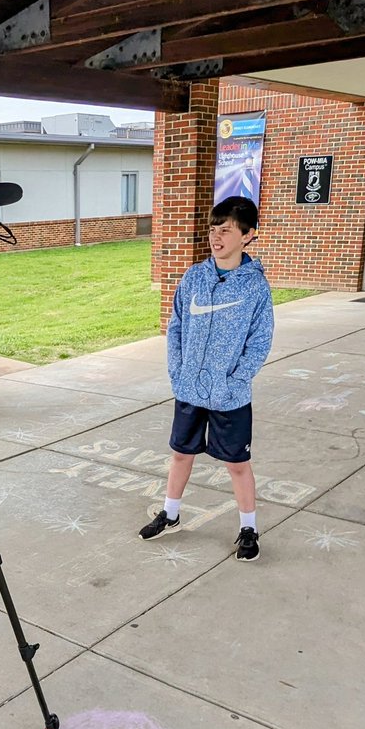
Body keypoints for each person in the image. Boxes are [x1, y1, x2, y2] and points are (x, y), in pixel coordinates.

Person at [139, 196, 274, 561]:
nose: (216, 237)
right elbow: (177, 326)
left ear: (248, 235)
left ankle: (249, 527)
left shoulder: (254, 287)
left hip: (230, 395)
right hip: (190, 388)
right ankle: (170, 512)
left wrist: (236, 379)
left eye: (226, 230)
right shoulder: (194, 276)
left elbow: (260, 342)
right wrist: (178, 372)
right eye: (213, 230)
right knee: (181, 453)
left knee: (237, 464)